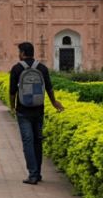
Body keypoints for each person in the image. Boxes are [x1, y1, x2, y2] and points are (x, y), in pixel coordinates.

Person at [9, 42, 64, 185]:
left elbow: (12, 92)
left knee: (28, 142)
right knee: (37, 141)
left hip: (23, 111)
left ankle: (32, 174)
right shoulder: (42, 68)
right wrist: (54, 102)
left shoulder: (16, 68)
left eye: (19, 52)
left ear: (22, 53)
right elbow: (49, 88)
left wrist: (12, 107)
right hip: (39, 109)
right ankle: (37, 173)